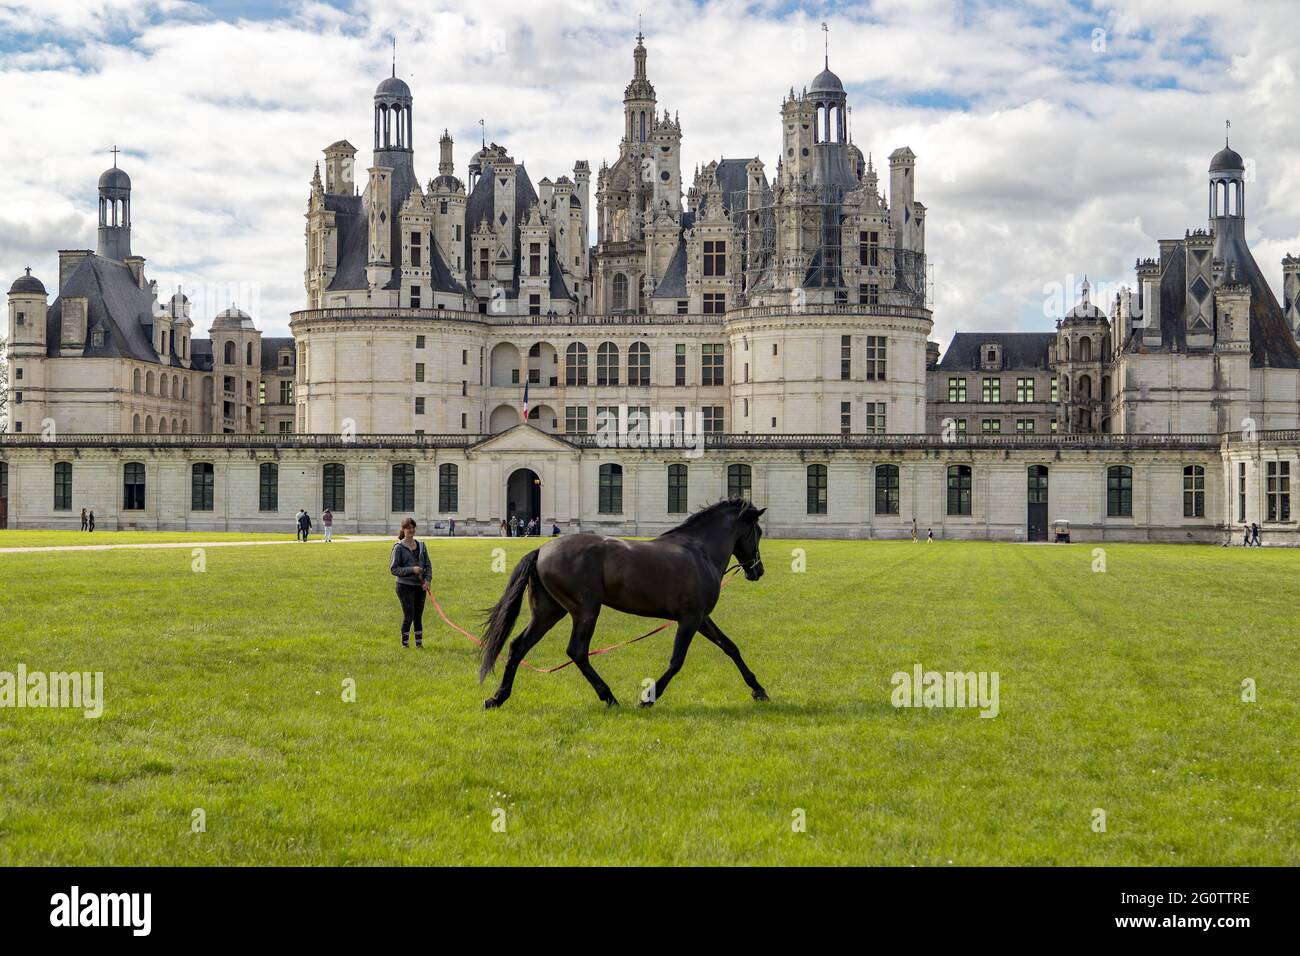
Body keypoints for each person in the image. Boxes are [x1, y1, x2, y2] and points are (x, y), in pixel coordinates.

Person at [390, 517, 432, 648]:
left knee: (418, 617)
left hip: (420, 587)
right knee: (409, 616)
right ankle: (405, 645)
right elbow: (394, 569)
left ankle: (419, 645)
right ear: (403, 529)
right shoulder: (398, 548)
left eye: (413, 527)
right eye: (408, 528)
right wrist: (412, 570)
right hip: (404, 586)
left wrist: (427, 581)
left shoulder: (421, 545)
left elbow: (428, 565)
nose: (411, 530)